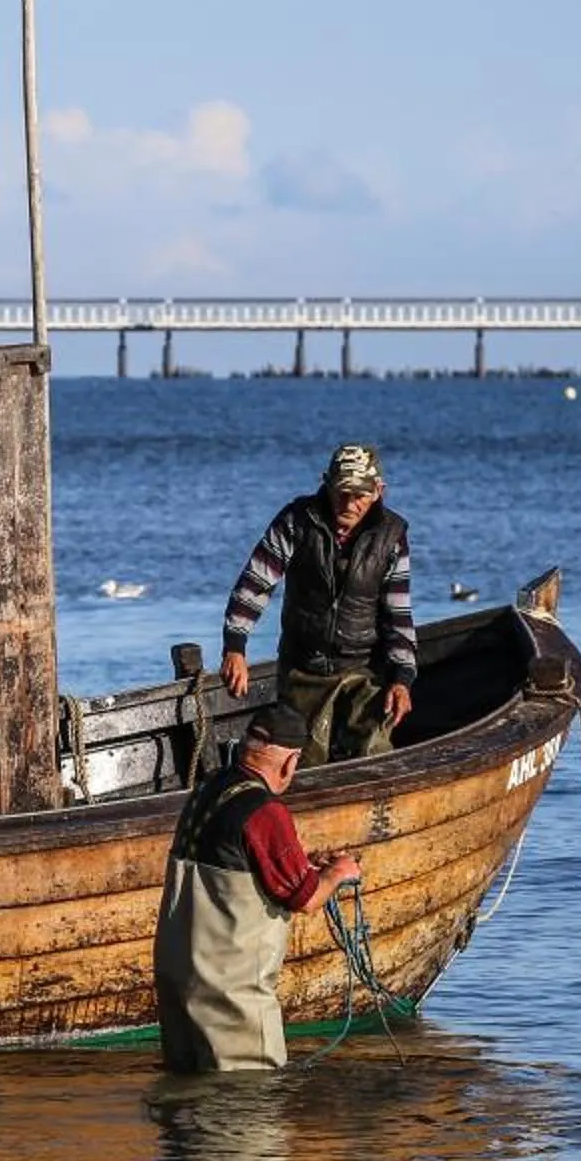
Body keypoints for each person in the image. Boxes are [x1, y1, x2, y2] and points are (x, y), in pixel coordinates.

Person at [154, 703, 363, 1072]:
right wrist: (338, 873)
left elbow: (233, 862)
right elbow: (306, 898)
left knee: (186, 1093)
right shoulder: (265, 810)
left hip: (179, 989)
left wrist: (304, 864)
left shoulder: (208, 788)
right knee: (250, 1099)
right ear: (290, 762)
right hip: (233, 999)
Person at [217, 442, 418, 765]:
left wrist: (401, 679)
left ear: (378, 492)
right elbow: (255, 583)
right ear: (326, 483)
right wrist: (235, 647)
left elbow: (398, 615)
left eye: (359, 495)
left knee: (371, 755)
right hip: (302, 669)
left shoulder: (392, 535)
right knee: (303, 761)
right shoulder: (296, 521)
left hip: (365, 670)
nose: (349, 505)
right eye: (342, 493)